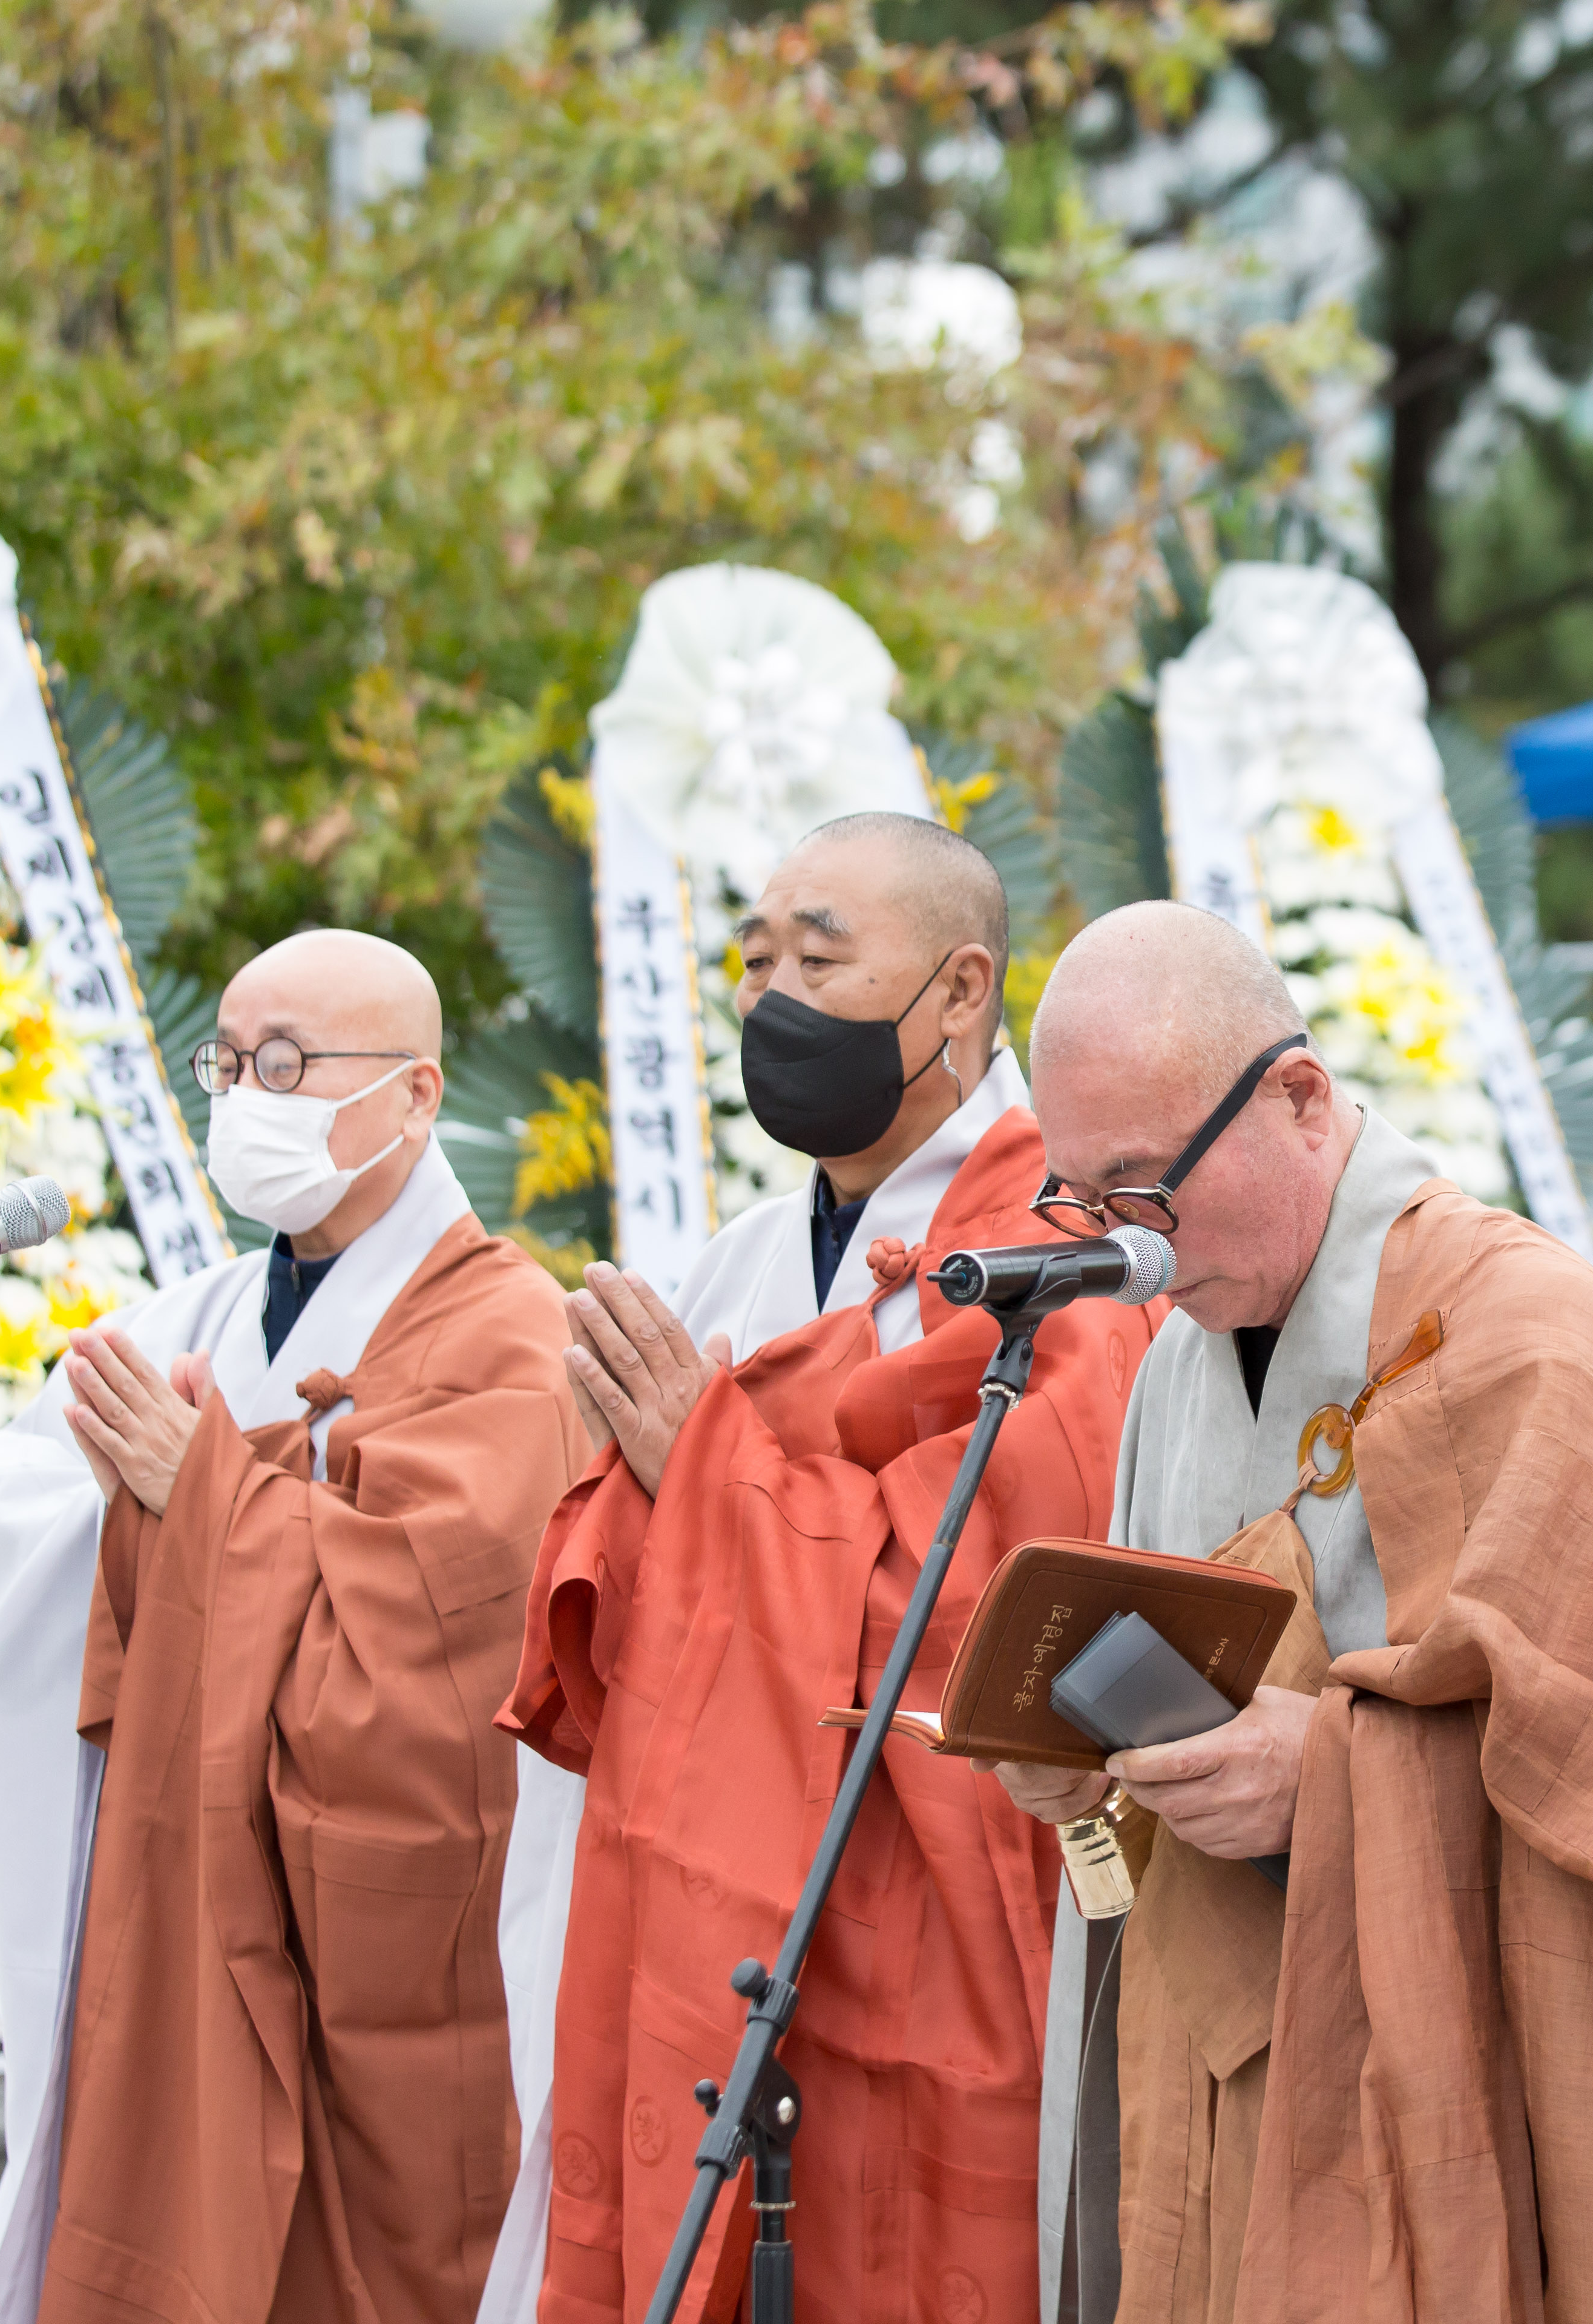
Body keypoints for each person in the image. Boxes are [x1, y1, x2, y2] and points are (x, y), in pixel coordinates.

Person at [997, 902, 1593, 2324]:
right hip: (1216, 2062)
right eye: (1086, 1206)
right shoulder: (1175, 1362)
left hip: (1436, 2090)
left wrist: (1334, 1772)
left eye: (1145, 1189)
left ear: (1299, 1097)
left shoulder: (1515, 1327)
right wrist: (1078, 1757)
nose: (1130, 1251)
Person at [496, 813, 1163, 2324]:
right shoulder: (730, 1261)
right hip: (723, 1879)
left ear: (956, 991)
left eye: (818, 953)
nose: (772, 995)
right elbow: (618, 1582)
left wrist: (709, 1469)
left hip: (934, 1893)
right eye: (750, 961)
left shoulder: (1064, 1250)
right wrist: (673, 1474)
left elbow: (1001, 1589)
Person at [0, 930, 581, 2324]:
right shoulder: (218, 1307)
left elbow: (437, 1660)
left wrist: (209, 1498)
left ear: (414, 1094)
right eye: (229, 1061)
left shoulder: (507, 1336)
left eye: (288, 1061)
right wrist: (174, 1504)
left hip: (383, 1949)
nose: (250, 1091)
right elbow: (59, 1501)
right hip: (202, 1881)